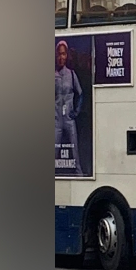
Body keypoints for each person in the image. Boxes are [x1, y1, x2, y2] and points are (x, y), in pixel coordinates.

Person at [55, 40, 84, 176]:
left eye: (64, 54)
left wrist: (77, 111)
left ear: (67, 55)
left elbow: (80, 93)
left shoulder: (71, 74)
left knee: (74, 148)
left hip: (69, 118)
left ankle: (79, 171)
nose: (61, 57)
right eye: (59, 54)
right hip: (56, 119)